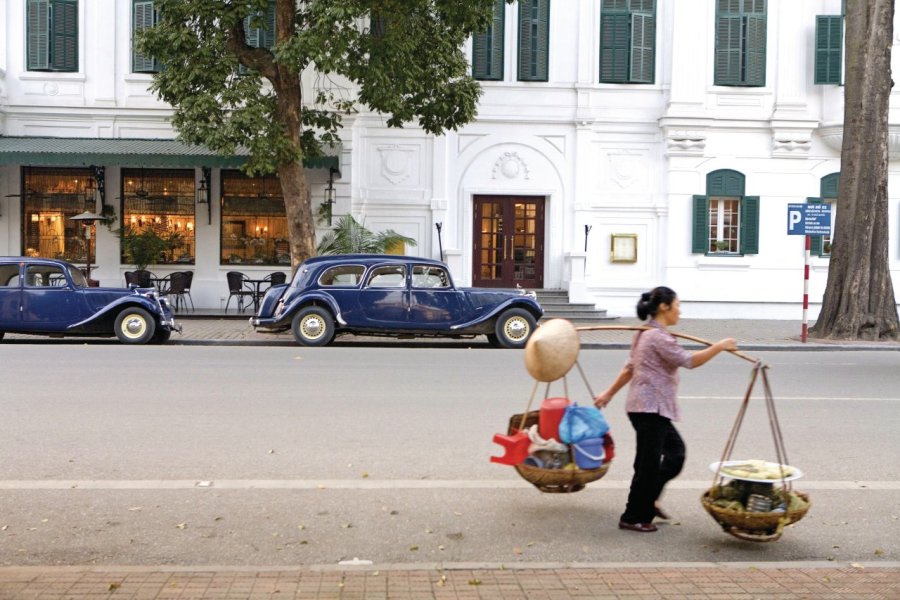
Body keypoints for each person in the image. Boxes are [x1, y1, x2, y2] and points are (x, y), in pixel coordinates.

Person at [594, 286, 737, 533]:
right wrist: (720, 346)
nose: (680, 310)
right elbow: (690, 361)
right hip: (649, 408)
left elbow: (630, 368)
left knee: (675, 454)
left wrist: (608, 394)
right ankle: (633, 516)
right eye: (678, 305)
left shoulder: (645, 333)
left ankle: (650, 500)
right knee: (647, 465)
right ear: (664, 307)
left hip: (650, 408)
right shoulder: (654, 337)